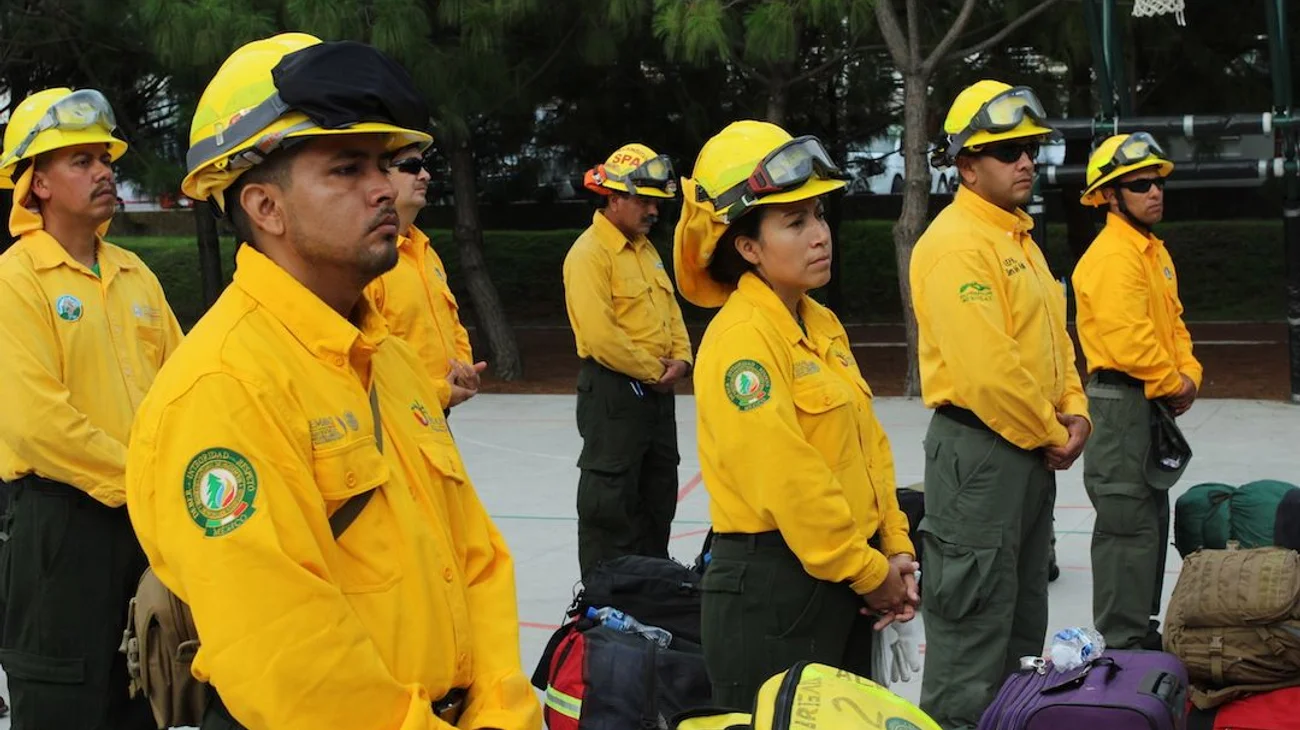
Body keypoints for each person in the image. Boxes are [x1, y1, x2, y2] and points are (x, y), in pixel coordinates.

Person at [124, 33, 541, 730]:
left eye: (383, 162)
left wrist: (499, 710)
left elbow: (476, 560)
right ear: (265, 208)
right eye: (346, 169)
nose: (384, 187)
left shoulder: (390, 361)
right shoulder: (223, 389)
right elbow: (289, 660)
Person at [674, 120, 919, 710]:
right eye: (795, 221)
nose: (820, 235)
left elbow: (868, 448)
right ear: (747, 246)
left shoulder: (818, 322)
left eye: (819, 215)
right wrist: (871, 573)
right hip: (772, 593)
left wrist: (896, 546)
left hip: (843, 577)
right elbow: (791, 480)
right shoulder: (741, 342)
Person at [911, 80, 1092, 730]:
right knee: (969, 652)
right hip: (982, 452)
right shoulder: (957, 244)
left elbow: (1055, 344)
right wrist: (1052, 429)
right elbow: (989, 372)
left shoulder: (1020, 241)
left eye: (1031, 149)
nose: (1026, 161)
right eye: (1008, 150)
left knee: (1020, 635)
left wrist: (1077, 411)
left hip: (1030, 450)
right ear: (965, 166)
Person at [0, 86, 181, 728]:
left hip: (146, 516)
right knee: (61, 699)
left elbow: (183, 389)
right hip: (60, 525)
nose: (104, 171)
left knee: (146, 691)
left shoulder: (135, 274)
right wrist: (146, 477)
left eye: (104, 157)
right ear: (36, 183)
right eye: (80, 160)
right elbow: (36, 424)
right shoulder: (16, 280)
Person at [1072, 133, 1201, 651]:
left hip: (1147, 400)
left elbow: (1173, 326)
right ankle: (1122, 640)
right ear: (1109, 195)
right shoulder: (1111, 257)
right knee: (1126, 523)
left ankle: (1138, 629)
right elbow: (1131, 342)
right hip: (1121, 400)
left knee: (1149, 520)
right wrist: (1174, 383)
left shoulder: (1152, 253)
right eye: (1140, 184)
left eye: (1158, 182)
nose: (1155, 192)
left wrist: (1190, 375)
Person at [562, 143, 693, 576]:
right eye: (643, 200)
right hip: (614, 393)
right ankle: (605, 593)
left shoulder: (646, 251)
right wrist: (655, 370)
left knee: (657, 489)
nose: (652, 210)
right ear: (613, 199)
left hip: (656, 392)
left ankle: (653, 582)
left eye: (656, 202)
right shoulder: (588, 255)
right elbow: (601, 336)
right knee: (610, 498)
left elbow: (671, 312)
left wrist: (682, 359)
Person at [366, 145, 484, 414]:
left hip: (435, 412)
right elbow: (369, 361)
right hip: (396, 418)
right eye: (411, 167)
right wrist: (440, 391)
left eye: (424, 166)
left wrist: (463, 370)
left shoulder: (426, 252)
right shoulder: (366, 261)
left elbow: (452, 323)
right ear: (380, 177)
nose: (426, 176)